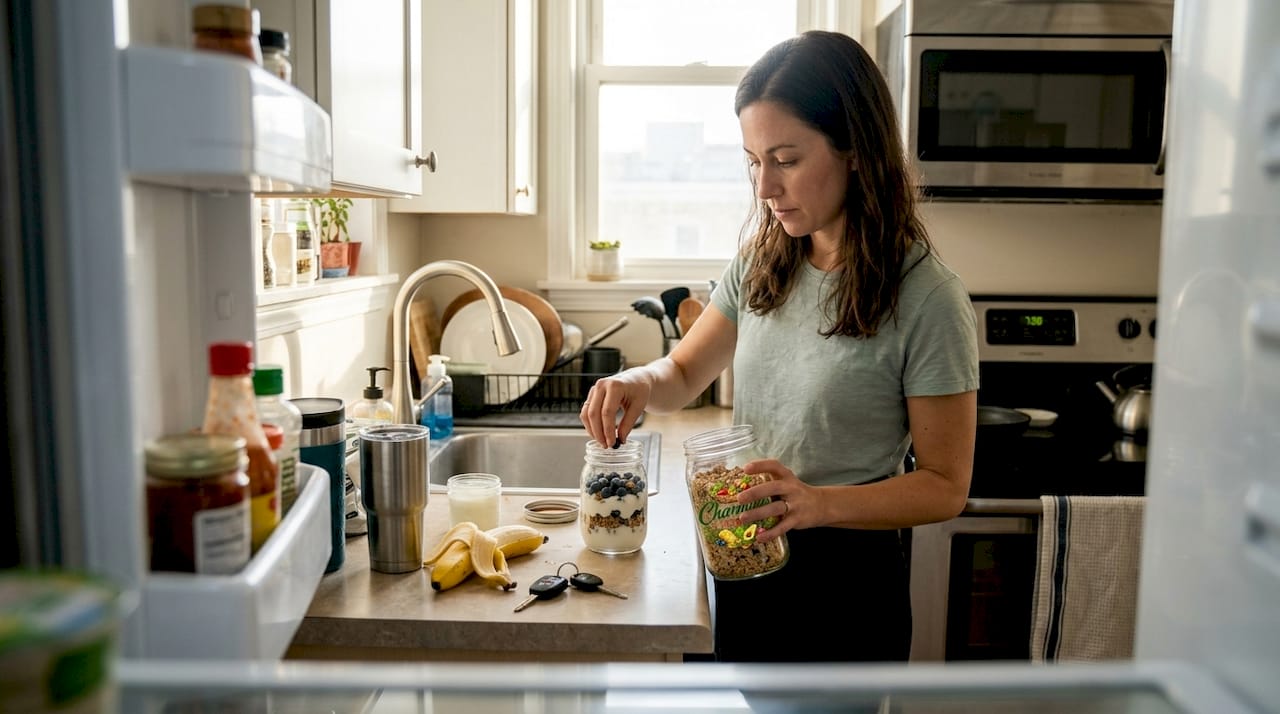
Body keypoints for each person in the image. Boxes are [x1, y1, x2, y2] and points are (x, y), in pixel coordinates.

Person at [580, 30, 979, 663]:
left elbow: (944, 486)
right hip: (744, 550)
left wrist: (815, 504)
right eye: (753, 161)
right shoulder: (763, 263)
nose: (764, 187)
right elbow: (681, 374)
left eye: (786, 160)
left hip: (846, 584)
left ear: (856, 151)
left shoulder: (927, 297)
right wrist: (638, 381)